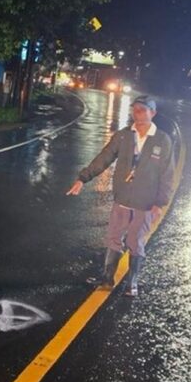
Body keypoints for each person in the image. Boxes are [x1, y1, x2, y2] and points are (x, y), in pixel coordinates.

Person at [66, 96, 175, 297]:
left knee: (135, 240)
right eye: (135, 109)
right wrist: (83, 178)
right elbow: (104, 158)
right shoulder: (124, 136)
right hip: (123, 197)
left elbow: (167, 173)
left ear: (153, 113)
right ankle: (107, 278)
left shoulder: (162, 140)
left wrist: (160, 203)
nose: (138, 113)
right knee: (113, 238)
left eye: (143, 109)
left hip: (146, 201)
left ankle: (132, 282)